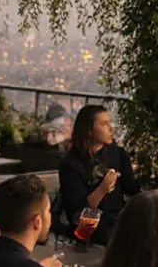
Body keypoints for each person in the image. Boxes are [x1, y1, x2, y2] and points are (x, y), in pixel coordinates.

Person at [57, 105, 140, 246]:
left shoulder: (117, 153)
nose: (111, 128)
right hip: (89, 227)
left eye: (109, 122)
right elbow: (78, 215)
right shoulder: (71, 164)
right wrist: (102, 189)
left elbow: (132, 189)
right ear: (89, 131)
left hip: (117, 219)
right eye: (103, 124)